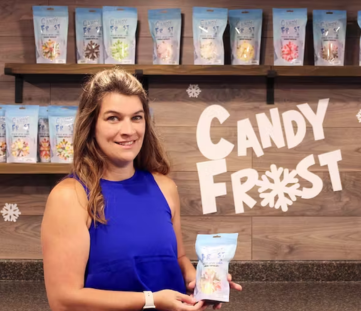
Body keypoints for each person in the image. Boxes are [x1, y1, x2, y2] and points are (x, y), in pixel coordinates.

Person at [41, 68, 242, 311]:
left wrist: (198, 280)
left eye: (136, 117)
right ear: (91, 125)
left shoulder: (165, 187)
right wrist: (151, 301)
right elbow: (63, 299)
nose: (128, 130)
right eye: (113, 118)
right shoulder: (69, 197)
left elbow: (176, 258)